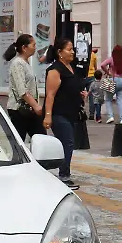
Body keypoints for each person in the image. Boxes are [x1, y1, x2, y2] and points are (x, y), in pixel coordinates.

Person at [43, 37, 84, 190]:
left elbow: (71, 87)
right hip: (58, 113)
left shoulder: (70, 67)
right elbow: (50, 94)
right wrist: (48, 115)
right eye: (69, 49)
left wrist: (81, 94)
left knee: (67, 143)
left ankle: (64, 173)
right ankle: (64, 176)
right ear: (60, 52)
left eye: (73, 49)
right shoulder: (55, 70)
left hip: (70, 112)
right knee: (67, 142)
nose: (72, 52)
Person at [3, 34, 45, 141]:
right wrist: (36, 106)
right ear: (24, 48)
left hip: (29, 109)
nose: (35, 48)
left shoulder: (26, 63)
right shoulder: (17, 63)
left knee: (41, 138)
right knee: (19, 141)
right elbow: (22, 90)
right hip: (19, 109)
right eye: (33, 45)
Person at [99, 45, 122, 124]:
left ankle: (110, 117)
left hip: (112, 80)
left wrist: (108, 72)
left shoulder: (111, 59)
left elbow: (102, 65)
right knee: (121, 101)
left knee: (108, 99)